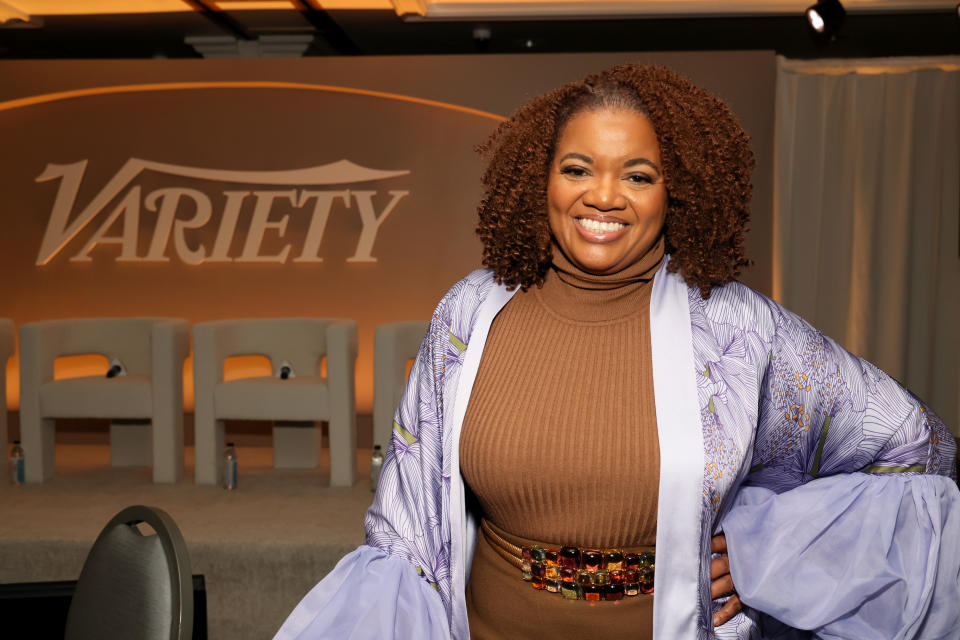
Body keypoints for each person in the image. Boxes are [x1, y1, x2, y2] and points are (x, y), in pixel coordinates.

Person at [274, 64, 958, 640]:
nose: (602, 196)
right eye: (578, 168)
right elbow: (407, 526)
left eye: (638, 175)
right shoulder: (470, 312)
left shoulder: (738, 327)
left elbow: (916, 445)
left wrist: (769, 549)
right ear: (541, 179)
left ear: (678, 191)